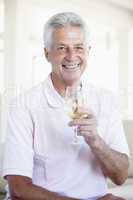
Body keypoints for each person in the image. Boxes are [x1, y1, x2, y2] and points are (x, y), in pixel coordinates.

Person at [2, 12, 129, 200]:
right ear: (47, 53)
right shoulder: (24, 105)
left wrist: (95, 141)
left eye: (78, 47)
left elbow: (120, 176)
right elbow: (19, 190)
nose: (72, 56)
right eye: (62, 48)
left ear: (88, 52)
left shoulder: (106, 100)